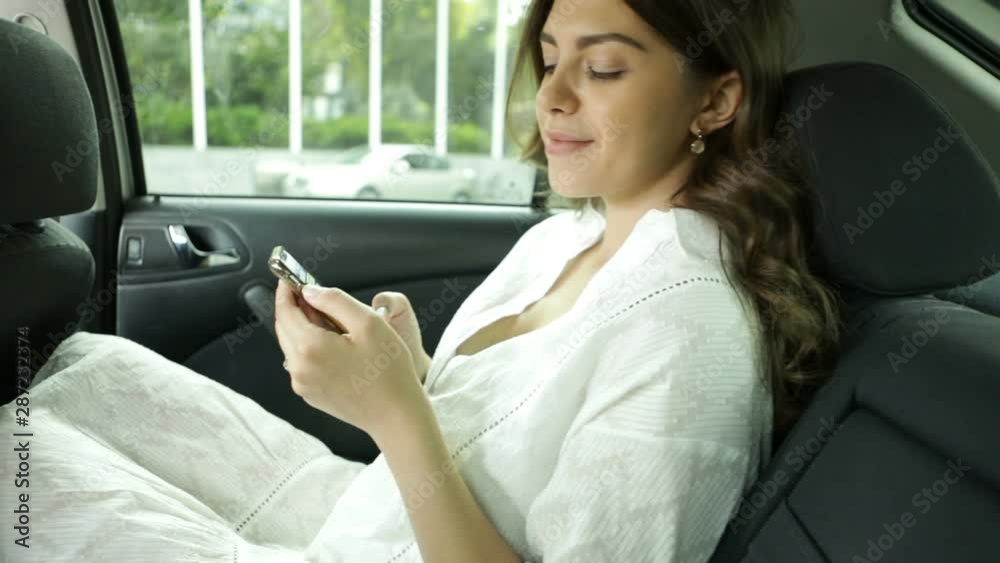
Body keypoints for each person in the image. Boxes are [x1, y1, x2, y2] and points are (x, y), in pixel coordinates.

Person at [0, 0, 842, 562]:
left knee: (14, 467)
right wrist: (415, 371)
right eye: (550, 60)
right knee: (92, 372)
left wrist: (394, 410)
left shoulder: (692, 337)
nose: (551, 97)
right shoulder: (565, 236)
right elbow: (513, 441)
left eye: (604, 68)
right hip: (364, 519)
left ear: (715, 101)